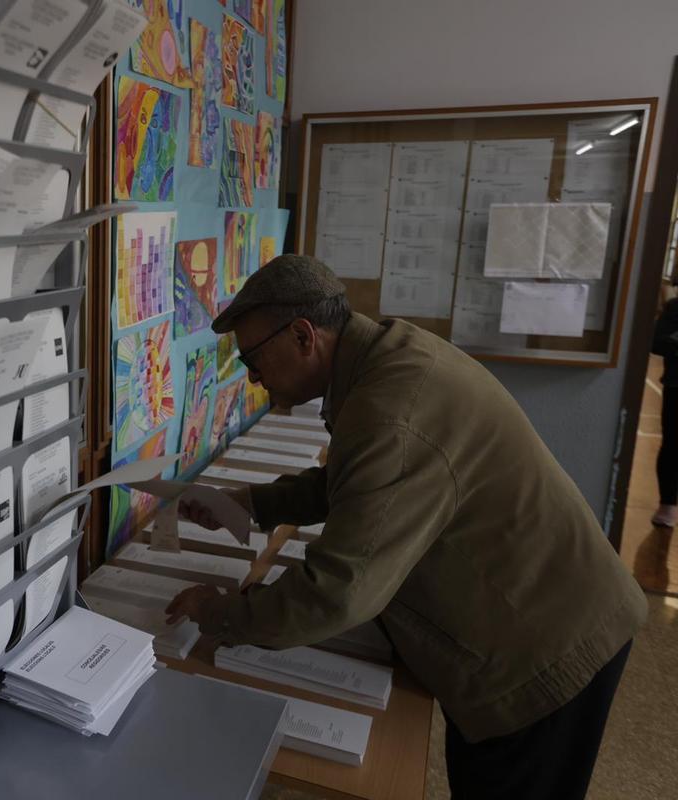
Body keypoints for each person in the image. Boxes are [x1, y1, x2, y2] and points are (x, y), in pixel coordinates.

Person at [166, 255, 646, 799]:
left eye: (253, 359)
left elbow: (337, 592)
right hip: (539, 603)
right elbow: (353, 483)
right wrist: (251, 503)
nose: (252, 377)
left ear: (303, 336)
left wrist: (221, 613)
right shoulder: (384, 356)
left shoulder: (391, 411)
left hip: (543, 648)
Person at [650, 294, 678, 526]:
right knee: (672, 445)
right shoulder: (674, 308)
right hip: (676, 387)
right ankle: (668, 504)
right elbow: (657, 343)